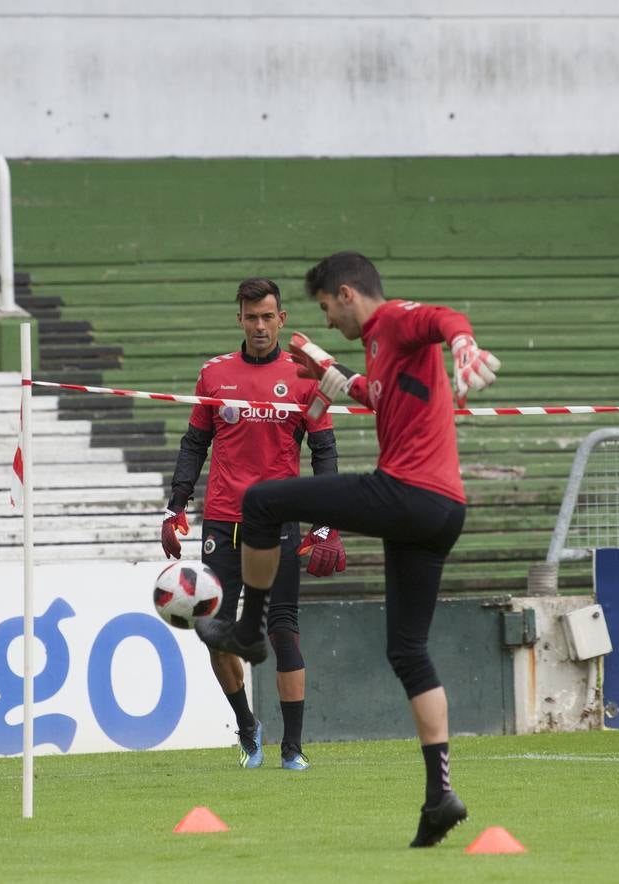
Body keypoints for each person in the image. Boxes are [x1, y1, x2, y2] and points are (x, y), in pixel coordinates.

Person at [196, 251, 501, 847]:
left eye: (327, 310)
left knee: (262, 502)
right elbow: (377, 394)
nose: (329, 321)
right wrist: (335, 377)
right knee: (408, 651)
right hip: (443, 513)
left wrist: (464, 345)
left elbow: (443, 317)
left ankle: (248, 630)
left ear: (345, 293)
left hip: (406, 493)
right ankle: (440, 795)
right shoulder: (377, 353)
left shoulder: (393, 321)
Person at [161, 277, 347, 772]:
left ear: (281, 320)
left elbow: (323, 450)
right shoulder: (214, 374)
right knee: (214, 631)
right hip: (223, 523)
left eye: (268, 316)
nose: (260, 325)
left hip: (279, 524)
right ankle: (247, 728)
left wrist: (327, 523)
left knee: (284, 633)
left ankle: (292, 748)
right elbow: (194, 443)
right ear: (238, 318)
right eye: (251, 316)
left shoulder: (305, 378)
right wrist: (174, 505)